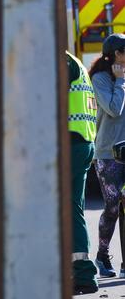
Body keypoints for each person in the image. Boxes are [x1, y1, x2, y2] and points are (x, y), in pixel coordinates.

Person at [88, 33, 125, 278]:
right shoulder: (100, 79)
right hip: (107, 154)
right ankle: (102, 256)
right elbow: (113, 109)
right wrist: (120, 81)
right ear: (114, 55)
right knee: (112, 207)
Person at [66, 51, 99, 295]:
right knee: (73, 209)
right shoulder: (73, 61)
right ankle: (83, 274)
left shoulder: (60, 62)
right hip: (83, 142)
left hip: (70, 143)